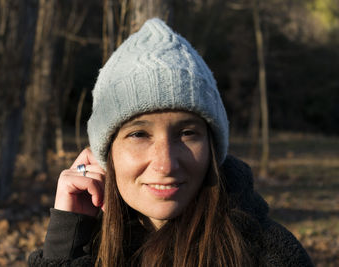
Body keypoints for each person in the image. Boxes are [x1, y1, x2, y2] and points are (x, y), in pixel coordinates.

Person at [28, 18, 313, 267]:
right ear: (106, 152)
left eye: (187, 133)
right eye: (139, 134)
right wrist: (66, 242)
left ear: (212, 146)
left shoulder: (270, 255)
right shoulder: (85, 248)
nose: (165, 163)